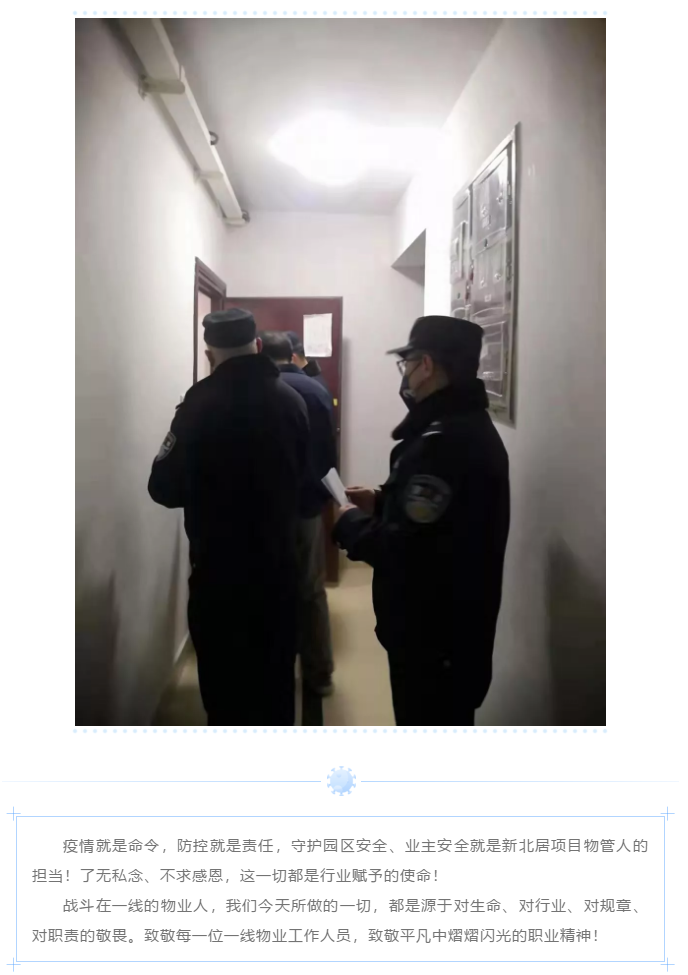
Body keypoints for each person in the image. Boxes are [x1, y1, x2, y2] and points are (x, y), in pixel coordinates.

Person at [333, 315, 510, 727]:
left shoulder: (443, 443)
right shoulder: (463, 426)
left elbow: (404, 549)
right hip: (449, 631)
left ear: (426, 365)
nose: (406, 375)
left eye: (408, 364)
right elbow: (441, 522)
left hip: (433, 639)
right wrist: (382, 501)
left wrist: (348, 523)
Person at [148, 308, 310, 726]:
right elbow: (307, 484)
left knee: (225, 692)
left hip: (219, 576)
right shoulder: (292, 402)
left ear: (209, 354)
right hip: (277, 570)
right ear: (256, 345)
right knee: (275, 686)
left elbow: (162, 488)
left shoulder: (197, 406)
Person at [259, 330, 337, 696]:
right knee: (311, 591)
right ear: (292, 355)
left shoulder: (260, 392)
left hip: (266, 512)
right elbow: (327, 456)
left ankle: (273, 673)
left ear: (260, 351)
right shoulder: (316, 390)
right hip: (307, 507)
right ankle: (319, 675)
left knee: (268, 590)